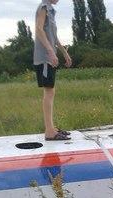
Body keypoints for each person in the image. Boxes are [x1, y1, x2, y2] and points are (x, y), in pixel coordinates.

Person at [34, 0, 73, 141]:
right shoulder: (43, 7)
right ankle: (49, 131)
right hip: (44, 57)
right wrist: (50, 51)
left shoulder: (50, 10)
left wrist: (64, 52)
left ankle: (51, 127)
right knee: (49, 90)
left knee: (51, 90)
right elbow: (38, 29)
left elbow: (54, 37)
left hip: (49, 56)